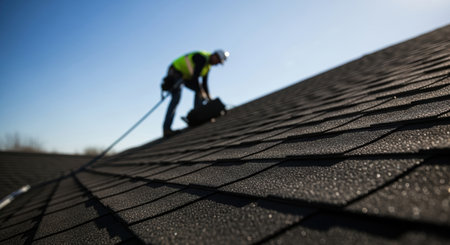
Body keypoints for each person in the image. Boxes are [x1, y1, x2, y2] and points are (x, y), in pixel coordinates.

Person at [162, 50, 229, 137]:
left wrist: (209, 97)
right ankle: (166, 129)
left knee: (199, 92)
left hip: (186, 76)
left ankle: (198, 116)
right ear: (215, 55)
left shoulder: (207, 67)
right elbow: (196, 77)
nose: (217, 64)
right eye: (218, 61)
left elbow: (204, 84)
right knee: (176, 98)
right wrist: (202, 93)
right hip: (175, 71)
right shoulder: (202, 58)